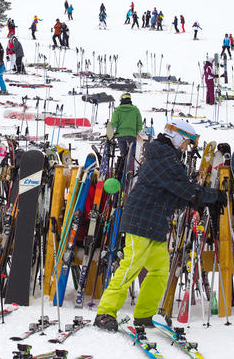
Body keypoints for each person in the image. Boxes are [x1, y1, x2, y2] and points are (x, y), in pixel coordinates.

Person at [93, 120, 225, 332]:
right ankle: (105, 312)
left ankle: (144, 314)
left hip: (155, 222)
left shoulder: (167, 157)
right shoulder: (163, 158)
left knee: (160, 270)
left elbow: (177, 194)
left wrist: (203, 200)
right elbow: (184, 189)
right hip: (140, 221)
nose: (185, 147)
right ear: (177, 136)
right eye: (186, 142)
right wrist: (212, 196)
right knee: (130, 266)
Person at [110, 92, 143, 178]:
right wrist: (137, 132)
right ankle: (130, 169)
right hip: (132, 135)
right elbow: (139, 124)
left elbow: (113, 123)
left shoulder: (117, 110)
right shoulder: (135, 110)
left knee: (123, 154)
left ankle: (122, 170)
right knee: (132, 154)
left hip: (120, 136)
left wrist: (111, 134)